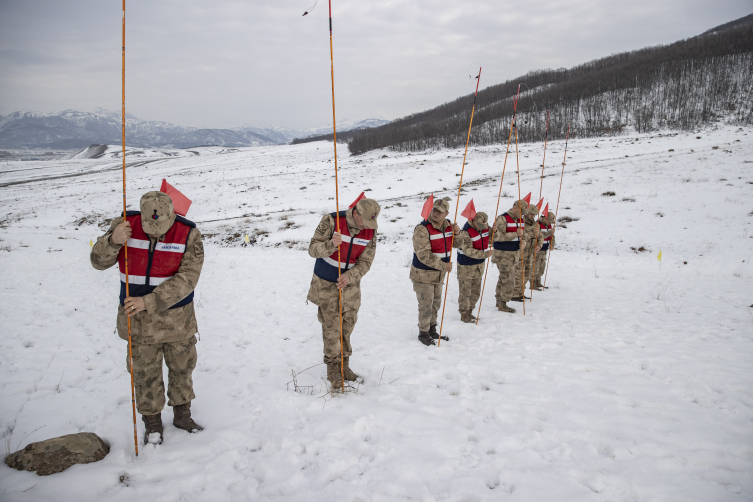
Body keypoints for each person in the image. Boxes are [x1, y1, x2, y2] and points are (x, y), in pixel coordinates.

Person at [90, 191, 204, 445]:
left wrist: (149, 302)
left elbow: (188, 278)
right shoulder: (123, 226)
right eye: (149, 226)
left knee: (182, 368)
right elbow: (97, 261)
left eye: (161, 226)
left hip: (178, 321)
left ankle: (182, 415)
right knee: (145, 373)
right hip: (139, 323)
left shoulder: (189, 234)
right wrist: (112, 241)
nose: (155, 231)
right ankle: (152, 423)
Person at [307, 198, 381, 388]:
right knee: (332, 329)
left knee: (347, 327)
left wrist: (351, 276)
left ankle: (344, 364)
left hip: (350, 287)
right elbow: (312, 249)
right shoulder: (332, 221)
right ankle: (333, 368)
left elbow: (366, 262)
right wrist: (331, 244)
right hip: (326, 285)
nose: (367, 226)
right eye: (364, 221)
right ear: (355, 213)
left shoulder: (370, 230)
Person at [410, 197, 461, 345]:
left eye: (440, 211)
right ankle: (423, 333)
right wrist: (444, 265)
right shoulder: (422, 228)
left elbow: (457, 244)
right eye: (434, 210)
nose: (436, 213)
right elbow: (423, 254)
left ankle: (432, 329)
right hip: (423, 273)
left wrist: (457, 233)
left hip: (438, 274)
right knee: (426, 304)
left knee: (435, 303)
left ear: (446, 213)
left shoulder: (449, 225)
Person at [491, 200, 527, 313]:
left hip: (513, 255)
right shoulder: (502, 219)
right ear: (515, 208)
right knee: (509, 280)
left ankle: (500, 301)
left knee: (504, 278)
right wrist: (515, 234)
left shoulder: (521, 220)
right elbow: (497, 236)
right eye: (521, 212)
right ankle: (503, 303)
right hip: (502, 255)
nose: (523, 214)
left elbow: (524, 235)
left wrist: (523, 243)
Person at [456, 211, 492, 323]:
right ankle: (464, 314)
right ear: (473, 221)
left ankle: (470, 311)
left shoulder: (483, 227)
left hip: (478, 266)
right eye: (480, 225)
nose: (482, 228)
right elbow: (468, 251)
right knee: (465, 292)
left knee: (475, 292)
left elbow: (490, 237)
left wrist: (493, 230)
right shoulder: (465, 233)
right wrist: (484, 255)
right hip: (466, 267)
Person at [512, 204, 540, 302]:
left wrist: (539, 245)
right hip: (521, 252)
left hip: (530, 253)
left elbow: (540, 237)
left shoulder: (536, 224)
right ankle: (514, 294)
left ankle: (521, 293)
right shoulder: (521, 223)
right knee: (519, 274)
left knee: (527, 274)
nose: (532, 216)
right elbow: (522, 236)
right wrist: (533, 233)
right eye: (531, 214)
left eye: (534, 215)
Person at [532, 211, 556, 290]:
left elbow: (552, 236)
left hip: (545, 250)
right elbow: (539, 236)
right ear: (545, 218)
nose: (550, 223)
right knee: (535, 267)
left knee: (541, 268)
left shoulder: (549, 226)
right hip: (537, 250)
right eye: (549, 220)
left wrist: (552, 244)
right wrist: (549, 233)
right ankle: (533, 283)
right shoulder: (537, 225)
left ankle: (538, 282)